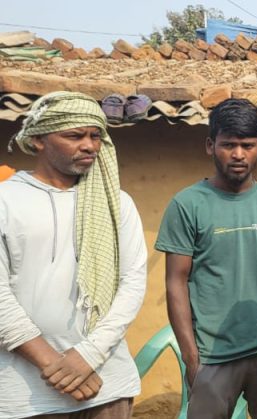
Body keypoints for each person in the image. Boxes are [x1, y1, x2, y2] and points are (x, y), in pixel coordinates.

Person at [0, 92, 147, 418]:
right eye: (75, 136)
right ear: (38, 139)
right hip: (24, 396)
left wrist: (89, 356)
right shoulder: (6, 200)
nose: (89, 146)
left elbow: (132, 282)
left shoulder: (116, 203)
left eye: (95, 136)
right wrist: (53, 363)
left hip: (107, 386)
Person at [156, 99, 257, 419]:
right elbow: (176, 282)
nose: (238, 154)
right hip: (212, 357)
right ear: (210, 145)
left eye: (247, 145)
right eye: (228, 144)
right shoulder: (187, 204)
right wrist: (192, 359)